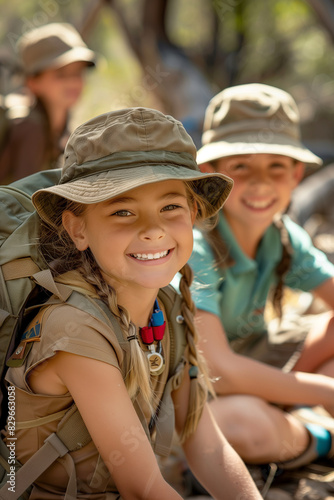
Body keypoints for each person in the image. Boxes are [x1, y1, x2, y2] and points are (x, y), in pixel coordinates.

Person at [2, 107, 263, 499]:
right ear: (78, 229)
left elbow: (206, 445)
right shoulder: (74, 327)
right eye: (122, 211)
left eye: (170, 207)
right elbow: (142, 487)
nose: (153, 229)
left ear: (192, 213)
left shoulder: (169, 307)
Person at [178, 83, 334, 470]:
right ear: (209, 174)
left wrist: (311, 386)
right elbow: (219, 371)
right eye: (241, 166)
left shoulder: (282, 237)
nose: (260, 183)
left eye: (276, 166)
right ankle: (320, 438)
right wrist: (327, 392)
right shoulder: (196, 245)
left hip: (252, 358)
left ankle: (291, 418)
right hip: (197, 385)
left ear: (296, 174)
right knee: (240, 424)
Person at [0, 22, 96, 184]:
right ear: (32, 82)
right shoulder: (31, 129)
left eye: (78, 72)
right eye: (61, 74)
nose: (73, 82)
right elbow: (23, 202)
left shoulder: (60, 126)